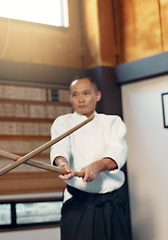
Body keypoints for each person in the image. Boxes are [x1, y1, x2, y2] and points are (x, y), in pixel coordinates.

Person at [50, 76, 131, 240]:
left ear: (98, 95)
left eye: (86, 93)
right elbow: (59, 150)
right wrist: (63, 165)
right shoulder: (63, 122)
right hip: (78, 204)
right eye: (75, 94)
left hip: (111, 204)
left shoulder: (112, 122)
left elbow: (116, 155)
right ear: (70, 98)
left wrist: (96, 166)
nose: (80, 99)